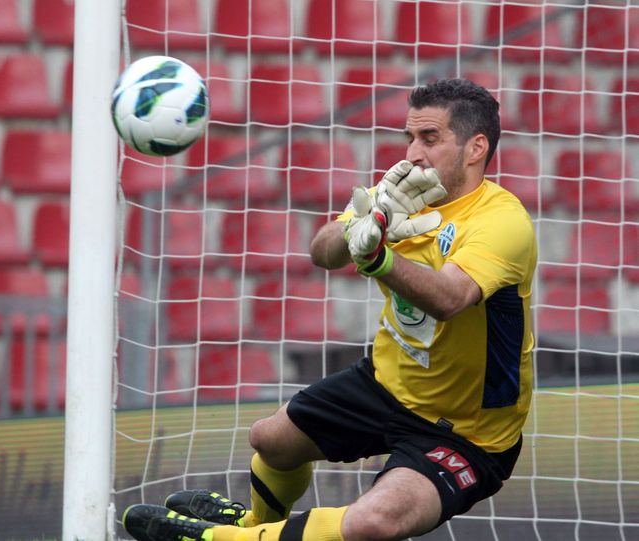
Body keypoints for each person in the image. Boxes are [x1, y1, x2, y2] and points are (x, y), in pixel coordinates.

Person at [122, 77, 538, 541]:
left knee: (373, 523)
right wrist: (368, 218)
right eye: (409, 137)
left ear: (475, 147)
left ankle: (213, 539)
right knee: (270, 439)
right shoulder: (402, 192)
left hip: (465, 432)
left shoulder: (502, 222)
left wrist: (377, 257)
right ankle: (255, 524)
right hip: (386, 383)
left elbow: (449, 298)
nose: (413, 153)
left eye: (430, 139)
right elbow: (322, 251)